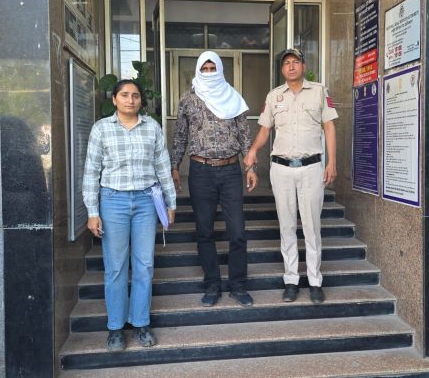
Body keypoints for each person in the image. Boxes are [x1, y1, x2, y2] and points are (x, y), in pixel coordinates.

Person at [82, 79, 176, 351]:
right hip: (113, 202)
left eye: (135, 95)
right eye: (124, 95)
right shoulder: (101, 128)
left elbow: (163, 166)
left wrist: (170, 203)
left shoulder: (152, 127)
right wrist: (92, 211)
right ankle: (115, 327)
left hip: (146, 202)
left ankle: (141, 323)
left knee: (144, 265)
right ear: (114, 99)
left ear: (141, 100)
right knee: (115, 267)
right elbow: (91, 171)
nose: (130, 100)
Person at [243, 48, 338, 305]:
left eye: (296, 62)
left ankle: (315, 281)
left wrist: (331, 162)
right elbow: (265, 130)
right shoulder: (274, 96)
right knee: (286, 226)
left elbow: (329, 127)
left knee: (311, 227)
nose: (291, 66)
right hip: (281, 169)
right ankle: (291, 280)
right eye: (287, 63)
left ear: (303, 66)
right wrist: (253, 150)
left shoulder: (319, 91)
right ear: (282, 69)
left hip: (311, 168)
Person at [171, 51, 258, 308]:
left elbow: (244, 136)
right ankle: (212, 285)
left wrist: (251, 167)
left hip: (230, 171)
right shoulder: (187, 100)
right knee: (204, 231)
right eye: (205, 68)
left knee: (237, 232)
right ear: (199, 70)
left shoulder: (233, 97)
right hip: (200, 171)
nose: (209, 72)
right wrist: (174, 165)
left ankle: (238, 285)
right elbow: (180, 136)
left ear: (220, 69)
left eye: (213, 68)